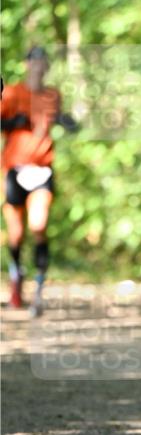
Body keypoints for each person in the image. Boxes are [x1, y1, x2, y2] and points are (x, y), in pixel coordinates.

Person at [1, 46, 75, 315]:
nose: (39, 66)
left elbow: (59, 118)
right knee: (16, 234)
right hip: (14, 169)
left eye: (44, 62)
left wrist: (68, 122)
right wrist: (14, 123)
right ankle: (16, 276)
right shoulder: (12, 93)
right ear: (27, 64)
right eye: (35, 61)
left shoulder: (52, 95)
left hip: (42, 169)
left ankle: (39, 290)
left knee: (38, 225)